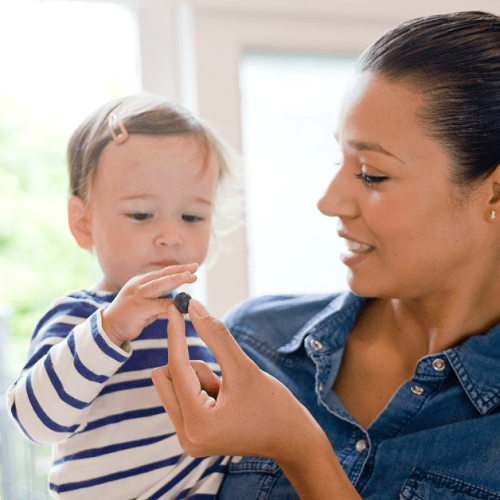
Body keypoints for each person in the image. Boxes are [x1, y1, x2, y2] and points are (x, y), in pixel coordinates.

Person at [151, 10, 500, 500]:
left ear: (494, 194)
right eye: (340, 161)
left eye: (372, 174)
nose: (329, 201)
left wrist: (298, 448)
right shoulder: (254, 342)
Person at [7, 94, 240, 499]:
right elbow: (35, 422)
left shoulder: (192, 323)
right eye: (141, 215)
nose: (171, 235)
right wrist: (111, 329)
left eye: (192, 216)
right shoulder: (79, 318)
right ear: (83, 223)